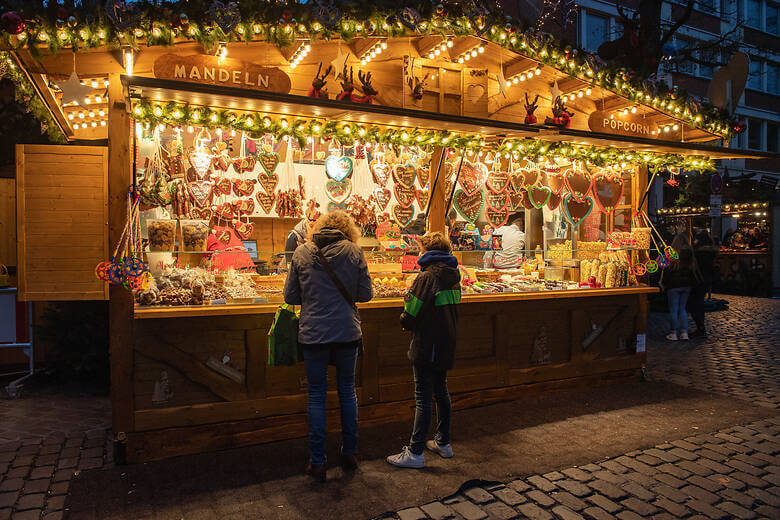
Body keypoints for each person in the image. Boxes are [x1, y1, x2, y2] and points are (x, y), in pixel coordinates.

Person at [283, 211, 373, 482]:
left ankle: (318, 461)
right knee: (347, 391)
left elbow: (290, 296)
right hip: (346, 333)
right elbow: (365, 294)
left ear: (318, 228)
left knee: (316, 396)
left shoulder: (301, 253)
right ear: (349, 230)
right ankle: (349, 454)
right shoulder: (355, 252)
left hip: (313, 335)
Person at [387, 232, 461, 469]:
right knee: (441, 390)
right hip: (446, 341)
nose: (418, 253)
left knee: (423, 396)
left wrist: (403, 318)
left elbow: (411, 314)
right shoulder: (454, 276)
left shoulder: (427, 277)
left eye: (419, 249)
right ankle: (443, 442)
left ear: (427, 252)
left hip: (427, 342)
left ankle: (416, 451)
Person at [660, 233, 699, 341]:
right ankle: (684, 332)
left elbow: (667, 271)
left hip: (673, 285)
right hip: (686, 285)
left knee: (673, 309)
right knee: (682, 309)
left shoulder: (672, 254)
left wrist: (664, 283)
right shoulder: (690, 253)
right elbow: (693, 270)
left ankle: (673, 333)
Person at [688, 230, 717, 337]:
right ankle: (701, 327)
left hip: (698, 281)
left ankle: (700, 327)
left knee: (695, 305)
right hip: (706, 281)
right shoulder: (711, 253)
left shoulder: (698, 254)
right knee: (699, 304)